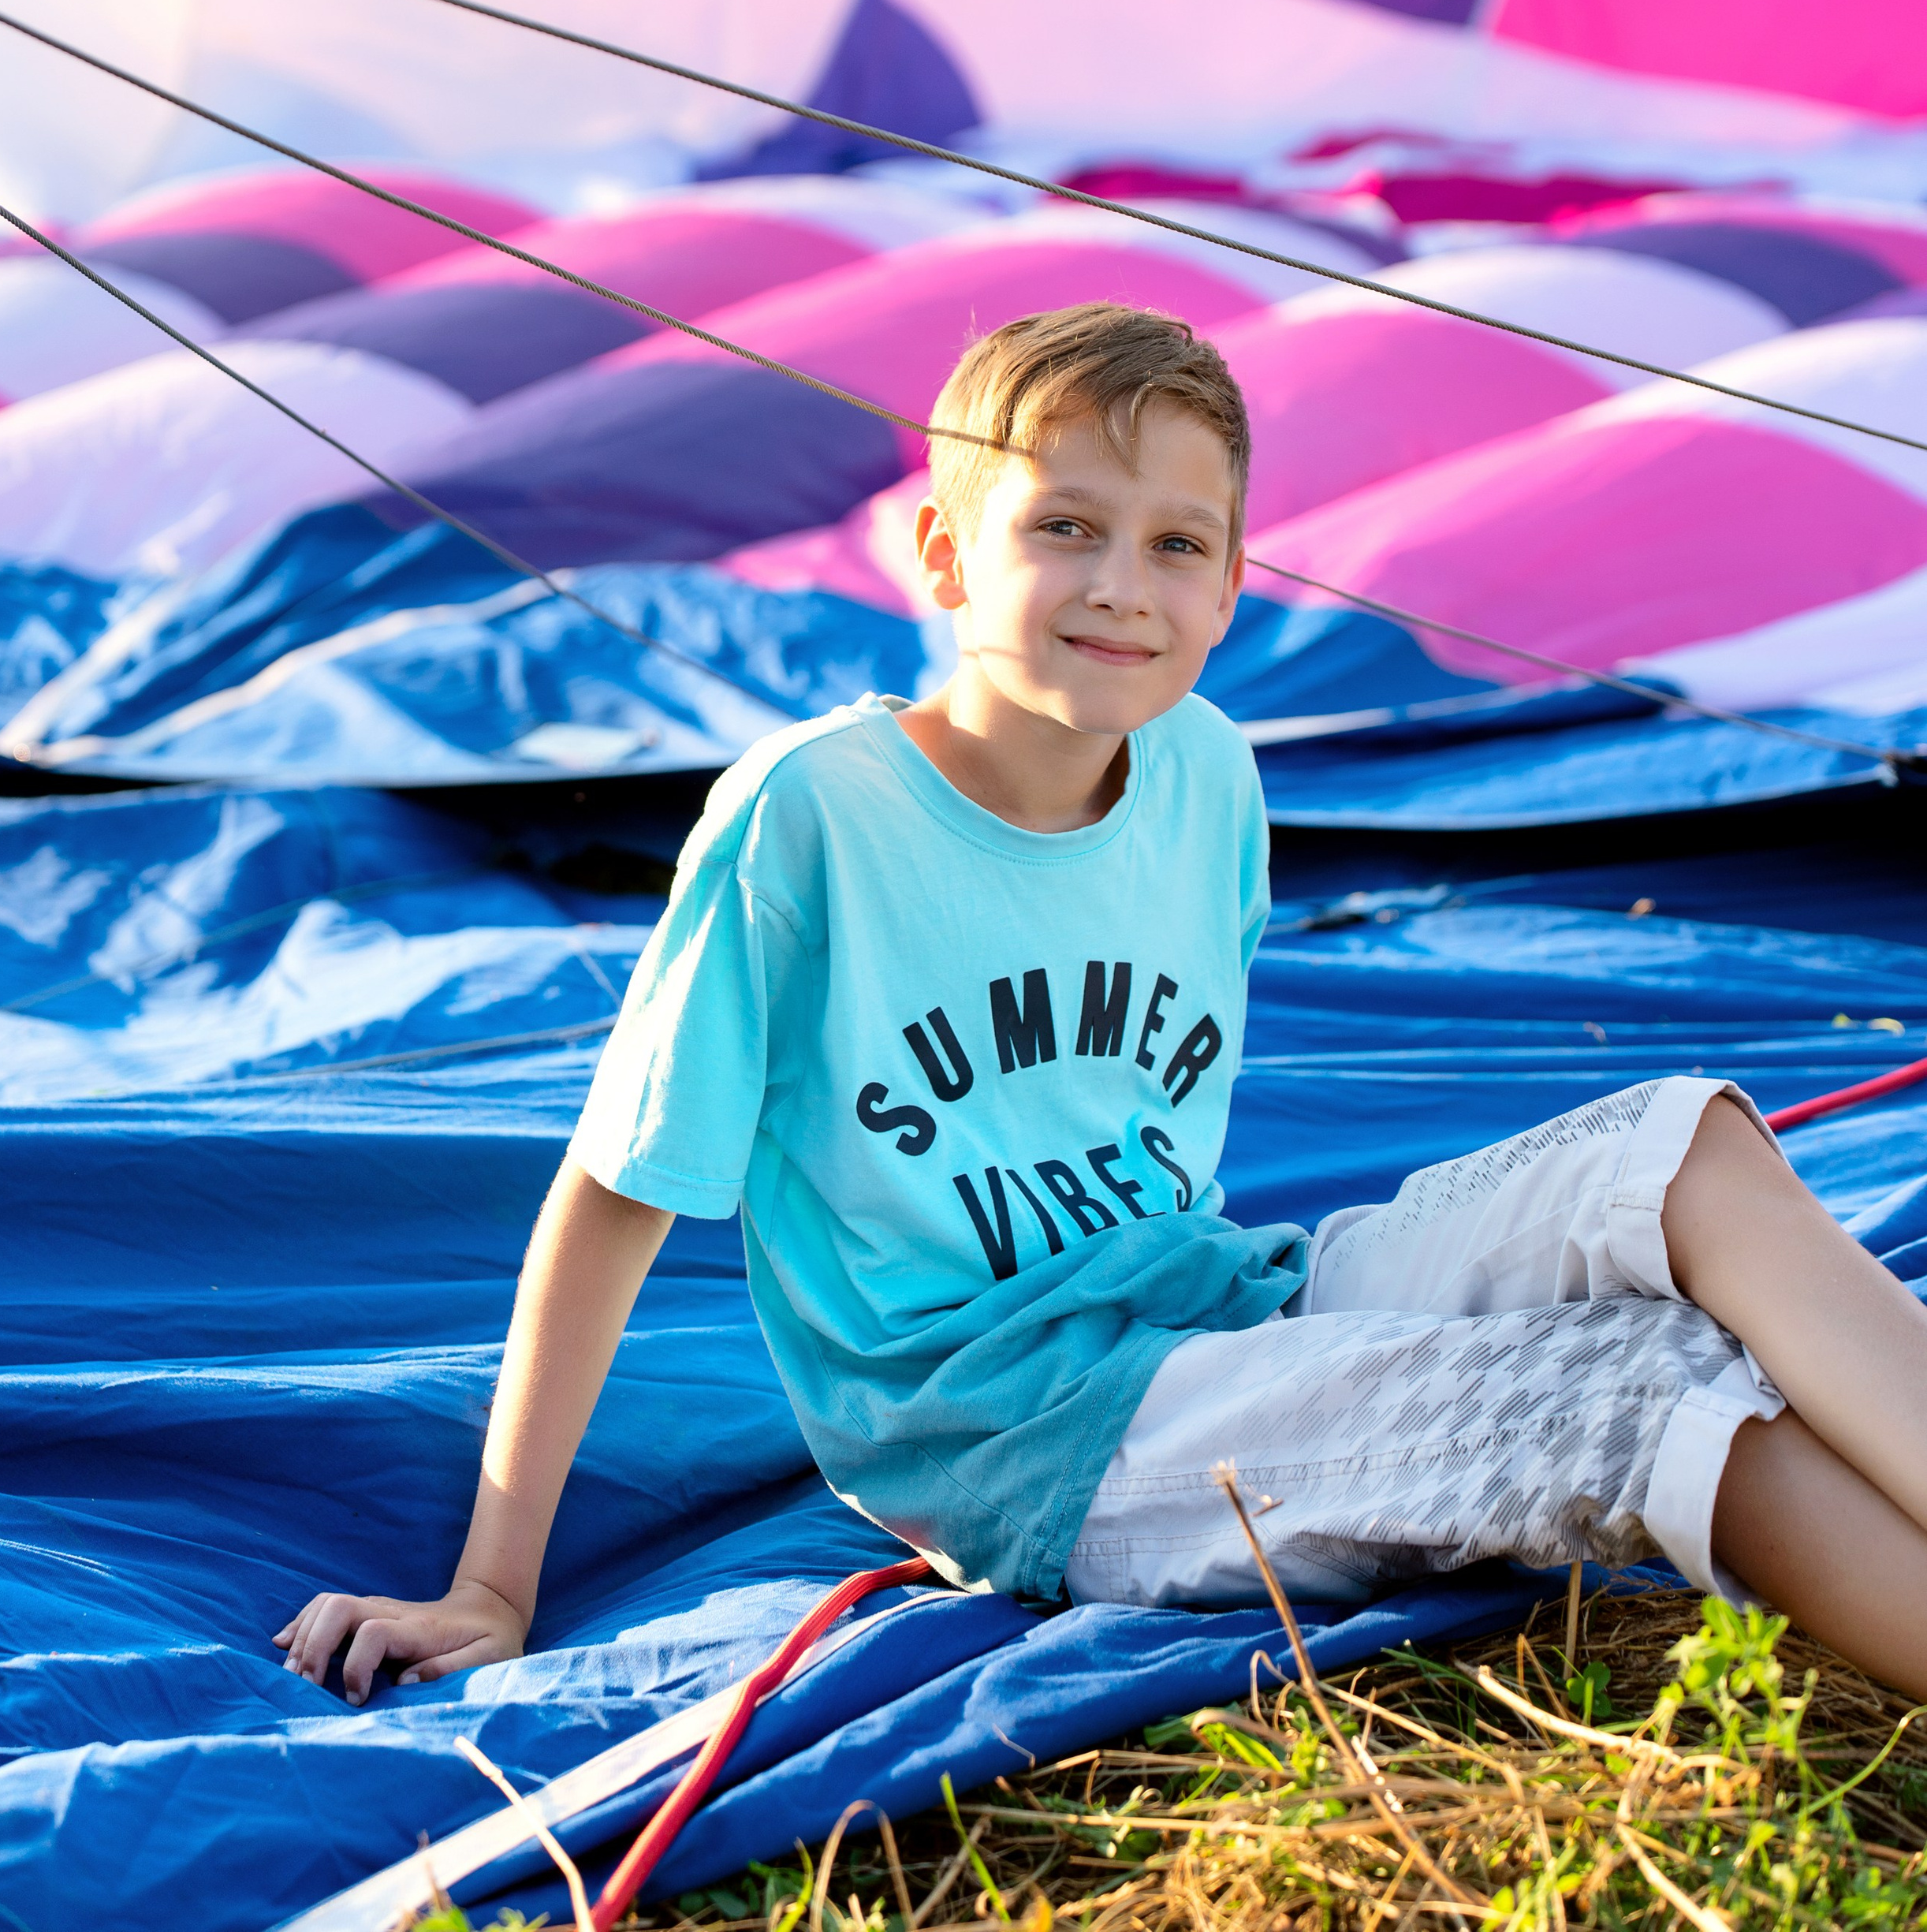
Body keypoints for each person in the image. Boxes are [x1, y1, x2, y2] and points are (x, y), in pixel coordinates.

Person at [276, 302, 1927, 1707]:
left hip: (1222, 1298)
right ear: (942, 551)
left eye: (1172, 545)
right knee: (1638, 1397)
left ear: (1225, 594)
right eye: (1061, 524)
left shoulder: (1207, 773)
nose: (1118, 585)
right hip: (1025, 1438)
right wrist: (491, 1586)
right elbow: (613, 1196)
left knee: (1689, 1148)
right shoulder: (812, 821)